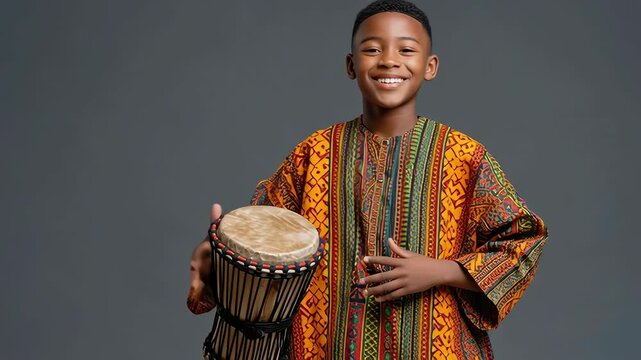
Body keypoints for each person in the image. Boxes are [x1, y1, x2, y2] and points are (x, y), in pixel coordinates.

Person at [187, 0, 548, 358]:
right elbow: (264, 240)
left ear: (430, 66)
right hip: (324, 346)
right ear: (351, 64)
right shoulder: (314, 153)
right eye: (373, 49)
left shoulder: (464, 155)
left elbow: (524, 240)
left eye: (406, 49)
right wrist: (218, 251)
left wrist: (441, 271)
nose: (389, 60)